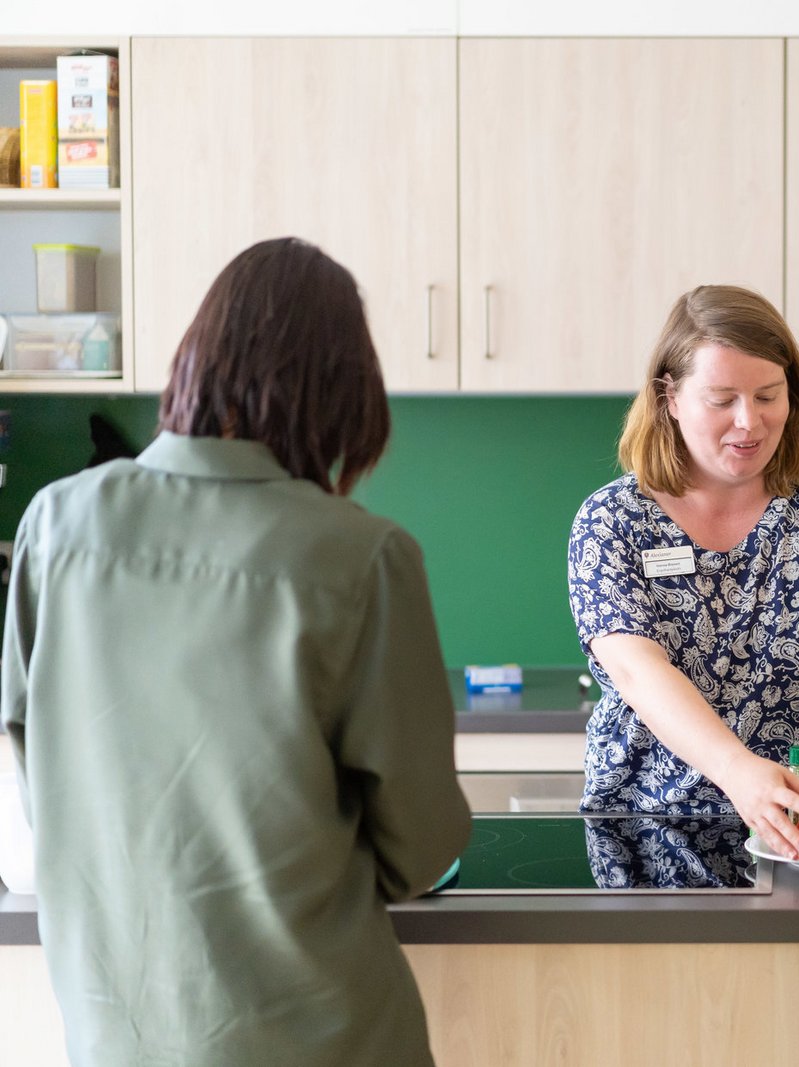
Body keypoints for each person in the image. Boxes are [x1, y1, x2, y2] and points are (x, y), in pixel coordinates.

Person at [2, 237, 471, 1067]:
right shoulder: (361, 557)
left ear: (193, 360)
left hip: (115, 1034)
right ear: (342, 397)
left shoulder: (53, 525)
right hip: (321, 1036)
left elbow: (35, 768)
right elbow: (421, 847)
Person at [568, 284, 799, 860]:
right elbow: (637, 671)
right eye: (722, 399)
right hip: (652, 831)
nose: (749, 422)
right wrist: (737, 771)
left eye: (768, 395)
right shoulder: (612, 522)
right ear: (669, 396)